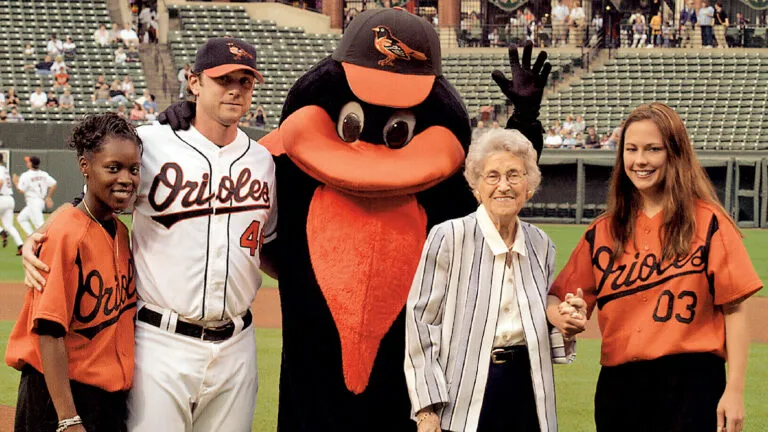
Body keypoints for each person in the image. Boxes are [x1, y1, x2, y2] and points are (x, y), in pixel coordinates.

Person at [23, 37, 273, 432]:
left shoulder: (263, 161)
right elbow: (101, 189)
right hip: (161, 340)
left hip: (237, 345)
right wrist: (47, 230)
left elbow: (269, 244)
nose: (235, 89)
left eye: (245, 80)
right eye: (224, 78)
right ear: (194, 82)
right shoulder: (152, 143)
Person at [549, 103, 761, 432]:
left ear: (674, 154)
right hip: (620, 388)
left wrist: (734, 391)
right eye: (631, 150)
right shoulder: (603, 231)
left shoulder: (708, 222)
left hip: (693, 383)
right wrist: (565, 316)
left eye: (653, 149)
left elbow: (734, 310)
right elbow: (557, 298)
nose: (640, 160)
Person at [405, 128, 583, 432]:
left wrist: (566, 325)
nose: (504, 186)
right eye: (492, 176)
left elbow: (539, 331)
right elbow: (421, 326)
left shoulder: (542, 245)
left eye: (514, 175)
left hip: (528, 389)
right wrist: (426, 410)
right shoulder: (448, 237)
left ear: (529, 186)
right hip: (465, 394)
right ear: (476, 187)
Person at [5, 113, 142, 431]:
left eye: (133, 169)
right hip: (58, 398)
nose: (126, 178)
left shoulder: (120, 232)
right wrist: (68, 419)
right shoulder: (66, 232)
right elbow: (50, 333)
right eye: (113, 168)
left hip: (107, 399)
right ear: (85, 166)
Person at [13, 156, 57, 236]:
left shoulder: (26, 175)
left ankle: (50, 242)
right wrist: (48, 197)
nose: (27, 163)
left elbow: (21, 190)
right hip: (39, 201)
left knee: (40, 226)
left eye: (28, 161)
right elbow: (54, 184)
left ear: (31, 164)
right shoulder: (43, 174)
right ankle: (32, 237)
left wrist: (16, 182)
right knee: (21, 218)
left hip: (33, 202)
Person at [0, 153, 24, 253]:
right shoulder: (5, 169)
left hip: (1, 198)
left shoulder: (0, 169)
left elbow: (0, 182)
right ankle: (20, 245)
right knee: (9, 225)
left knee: (7, 227)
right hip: (9, 199)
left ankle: (1, 231)